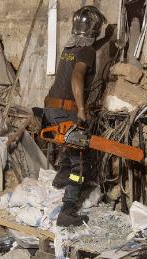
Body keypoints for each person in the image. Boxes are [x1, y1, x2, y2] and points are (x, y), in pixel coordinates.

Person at [44, 6, 106, 227]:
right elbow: (78, 76)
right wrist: (82, 109)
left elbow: (76, 64)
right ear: (95, 28)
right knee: (80, 163)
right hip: (68, 109)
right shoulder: (87, 52)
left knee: (70, 147)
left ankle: (61, 175)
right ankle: (68, 210)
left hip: (51, 108)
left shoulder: (70, 47)